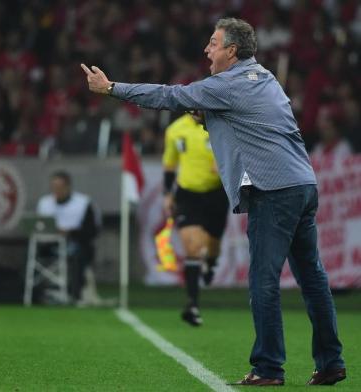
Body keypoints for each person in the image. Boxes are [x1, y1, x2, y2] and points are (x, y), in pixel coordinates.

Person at [81, 17, 346, 386]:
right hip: (303, 184)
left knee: (263, 281)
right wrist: (210, 119)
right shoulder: (267, 79)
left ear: (231, 51)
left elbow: (168, 95)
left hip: (273, 191)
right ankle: (331, 362)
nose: (207, 49)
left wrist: (111, 88)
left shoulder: (227, 85)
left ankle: (269, 367)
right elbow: (254, 126)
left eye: (213, 43)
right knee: (313, 279)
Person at [162, 112, 229, 326]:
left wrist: (225, 165)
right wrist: (168, 194)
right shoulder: (175, 130)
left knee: (212, 246)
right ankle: (192, 304)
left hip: (217, 194)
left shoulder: (219, 125)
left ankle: (211, 261)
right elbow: (170, 166)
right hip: (188, 195)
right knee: (193, 246)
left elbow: (237, 151)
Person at [37, 171, 100, 304]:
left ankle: (74, 294)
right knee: (30, 252)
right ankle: (34, 293)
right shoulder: (45, 203)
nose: (56, 190)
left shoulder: (83, 203)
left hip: (75, 243)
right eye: (54, 187)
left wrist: (70, 233)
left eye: (60, 187)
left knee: (79, 254)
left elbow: (92, 231)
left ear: (68, 187)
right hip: (50, 244)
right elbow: (38, 226)